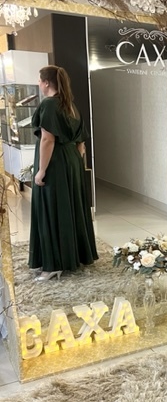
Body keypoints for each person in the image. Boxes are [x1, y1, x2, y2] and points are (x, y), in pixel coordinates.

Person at [28, 65, 98, 281]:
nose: (39, 84)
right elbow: (81, 144)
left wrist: (41, 170)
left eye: (39, 80)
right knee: (71, 207)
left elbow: (47, 140)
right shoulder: (71, 106)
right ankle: (73, 257)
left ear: (46, 82)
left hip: (56, 163)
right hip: (72, 161)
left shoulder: (49, 104)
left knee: (50, 209)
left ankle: (53, 265)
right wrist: (74, 166)